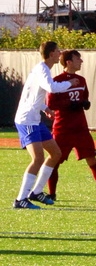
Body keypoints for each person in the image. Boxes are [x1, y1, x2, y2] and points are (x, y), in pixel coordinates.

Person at [12, 41, 81, 209]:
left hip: (35, 118)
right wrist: (70, 84)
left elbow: (31, 93)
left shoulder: (41, 69)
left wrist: (45, 108)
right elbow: (51, 87)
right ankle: (21, 199)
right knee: (37, 158)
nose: (60, 53)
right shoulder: (42, 69)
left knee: (56, 153)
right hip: (27, 120)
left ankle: (36, 192)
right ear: (51, 54)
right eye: (58, 51)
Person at [45, 50, 96, 203]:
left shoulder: (81, 80)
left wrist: (85, 103)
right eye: (78, 58)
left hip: (81, 128)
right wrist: (70, 104)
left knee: (92, 160)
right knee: (54, 161)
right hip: (63, 129)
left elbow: (84, 97)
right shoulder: (57, 81)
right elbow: (51, 104)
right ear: (69, 62)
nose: (81, 61)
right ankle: (51, 194)